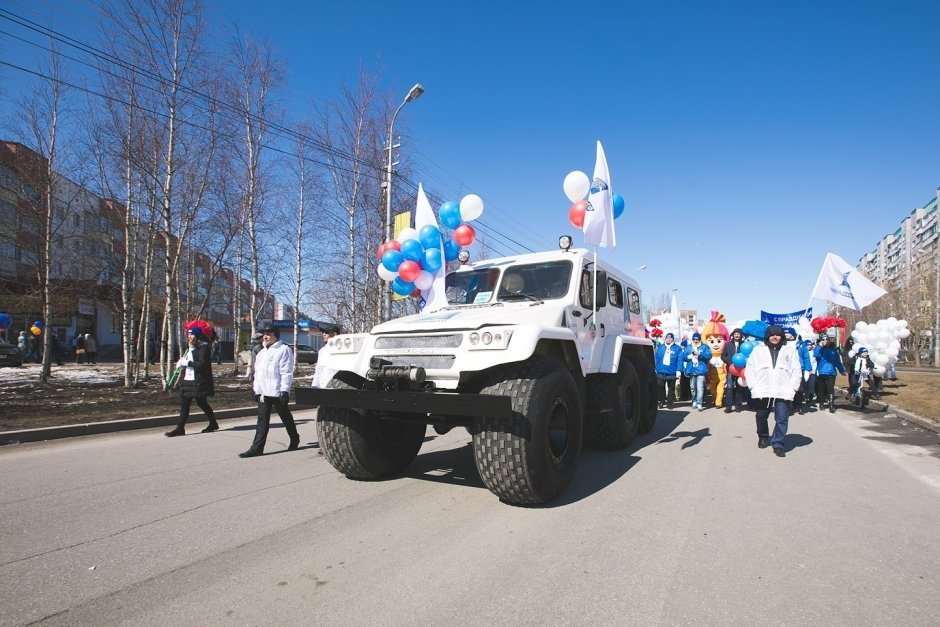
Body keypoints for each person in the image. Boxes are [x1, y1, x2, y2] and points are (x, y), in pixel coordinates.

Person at [240, 320, 299, 458]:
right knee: (262, 421)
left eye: (268, 334)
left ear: (276, 335)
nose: (265, 337)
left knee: (286, 418)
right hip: (263, 393)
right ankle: (257, 448)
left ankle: (294, 438)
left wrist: (285, 390)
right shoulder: (261, 352)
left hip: (277, 392)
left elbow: (286, 372)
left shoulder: (283, 350)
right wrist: (255, 389)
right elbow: (258, 373)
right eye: (264, 334)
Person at [743, 325, 802, 458]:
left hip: (783, 389)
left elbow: (796, 370)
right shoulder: (758, 350)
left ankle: (778, 443)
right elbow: (750, 369)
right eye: (772, 334)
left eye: (778, 334)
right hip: (763, 389)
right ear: (767, 336)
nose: (775, 337)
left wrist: (793, 388)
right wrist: (753, 386)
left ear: (782, 336)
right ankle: (763, 436)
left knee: (782, 418)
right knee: (761, 415)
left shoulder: (789, 351)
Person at [165, 320, 218, 437]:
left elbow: (202, 365)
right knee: (185, 404)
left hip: (198, 382)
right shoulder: (190, 348)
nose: (189, 337)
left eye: (192, 335)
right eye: (188, 335)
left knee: (202, 403)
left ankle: (213, 423)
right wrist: (182, 364)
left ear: (198, 336)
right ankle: (180, 428)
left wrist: (187, 362)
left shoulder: (203, 348)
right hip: (188, 381)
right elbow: (189, 363)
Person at [814, 335, 846, 413]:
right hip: (821, 372)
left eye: (826, 339)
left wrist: (841, 370)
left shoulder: (833, 350)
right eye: (823, 339)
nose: (825, 340)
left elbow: (837, 361)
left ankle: (831, 405)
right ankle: (821, 403)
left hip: (831, 372)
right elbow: (815, 355)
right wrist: (819, 346)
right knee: (821, 389)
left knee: (830, 389)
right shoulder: (820, 349)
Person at [682, 332, 712, 411]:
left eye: (697, 339)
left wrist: (700, 354)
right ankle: (694, 400)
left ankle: (699, 403)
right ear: (692, 339)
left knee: (700, 388)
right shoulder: (688, 347)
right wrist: (689, 356)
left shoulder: (704, 347)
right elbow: (684, 357)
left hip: (700, 370)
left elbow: (709, 356)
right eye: (694, 339)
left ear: (699, 339)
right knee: (693, 388)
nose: (696, 341)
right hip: (691, 370)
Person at [653, 332, 683, 409]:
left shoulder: (677, 348)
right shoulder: (661, 347)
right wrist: (655, 368)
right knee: (660, 387)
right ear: (665, 339)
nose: (669, 339)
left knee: (671, 388)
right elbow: (656, 358)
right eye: (667, 338)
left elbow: (680, 360)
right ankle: (661, 401)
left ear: (673, 339)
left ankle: (670, 403)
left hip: (672, 371)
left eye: (670, 338)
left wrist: (679, 370)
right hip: (661, 370)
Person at [721, 328, 745, 412]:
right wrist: (729, 361)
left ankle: (738, 406)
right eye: (735, 334)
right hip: (731, 368)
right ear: (733, 335)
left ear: (741, 335)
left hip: (741, 369)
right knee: (729, 387)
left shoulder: (744, 345)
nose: (737, 335)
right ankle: (728, 406)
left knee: (739, 387)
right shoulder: (728, 345)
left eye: (738, 334)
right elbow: (723, 356)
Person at [311, 324, 341, 389]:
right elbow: (318, 370)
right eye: (323, 332)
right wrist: (314, 385)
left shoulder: (342, 350)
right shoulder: (322, 351)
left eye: (326, 332)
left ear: (335, 334)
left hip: (336, 389)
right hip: (322, 389)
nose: (324, 334)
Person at [797, 339, 817, 413]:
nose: (809, 346)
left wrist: (810, 369)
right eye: (807, 345)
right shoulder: (801, 350)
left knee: (811, 386)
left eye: (810, 345)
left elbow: (813, 360)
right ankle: (798, 403)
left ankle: (810, 399)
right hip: (801, 370)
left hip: (812, 372)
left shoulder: (814, 352)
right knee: (802, 387)